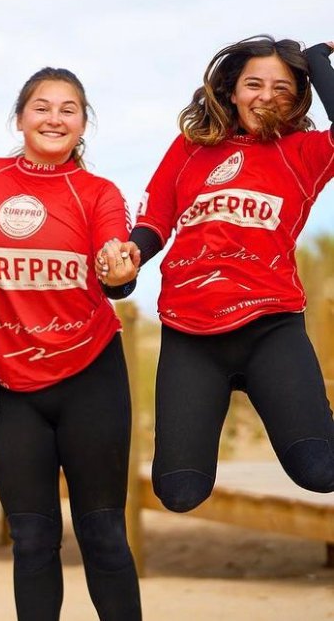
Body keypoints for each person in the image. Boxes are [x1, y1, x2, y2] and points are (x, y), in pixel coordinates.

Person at [0, 68, 142, 620]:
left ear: (82, 124)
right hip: (10, 389)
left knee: (104, 535)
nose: (54, 118)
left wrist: (117, 269)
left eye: (68, 109)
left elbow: (115, 259)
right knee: (32, 540)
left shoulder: (98, 192)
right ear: (20, 118)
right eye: (41, 106)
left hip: (90, 376)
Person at [126, 36, 334, 513]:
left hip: (270, 327)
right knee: (179, 492)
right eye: (253, 84)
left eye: (282, 88)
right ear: (233, 91)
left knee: (321, 471)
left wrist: (316, 60)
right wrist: (132, 256)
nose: (266, 96)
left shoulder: (303, 152)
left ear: (297, 98)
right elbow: (154, 220)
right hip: (190, 332)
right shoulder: (190, 148)